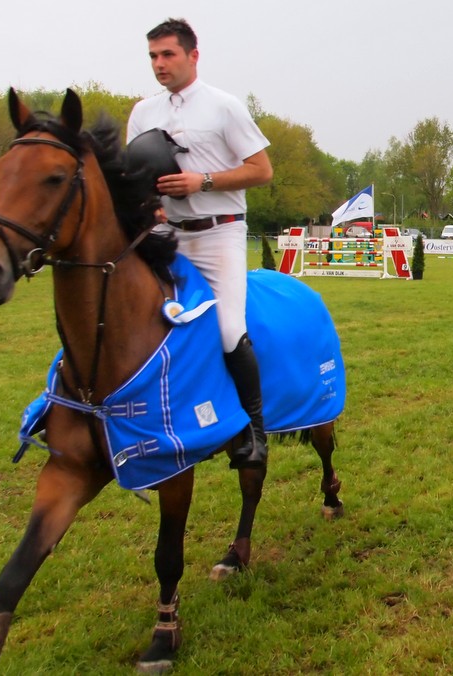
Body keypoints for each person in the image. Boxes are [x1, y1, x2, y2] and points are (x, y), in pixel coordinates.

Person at [126, 18, 274, 468]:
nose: (159, 64)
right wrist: (146, 205)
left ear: (193, 55)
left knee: (228, 329)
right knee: (134, 320)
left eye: (167, 54)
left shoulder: (224, 106)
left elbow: (262, 170)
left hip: (219, 232)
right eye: (153, 56)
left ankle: (254, 430)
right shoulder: (142, 112)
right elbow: (134, 176)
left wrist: (201, 180)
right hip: (165, 234)